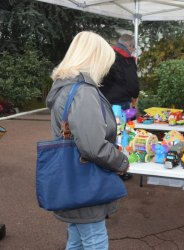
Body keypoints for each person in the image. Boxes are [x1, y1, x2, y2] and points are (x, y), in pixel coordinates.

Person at [46, 31, 129, 249]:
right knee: (94, 240)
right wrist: (121, 161)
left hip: (72, 178)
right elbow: (93, 146)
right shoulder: (83, 91)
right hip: (85, 180)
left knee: (76, 238)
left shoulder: (64, 87)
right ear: (94, 59)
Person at [100, 33, 140, 181]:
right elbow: (132, 84)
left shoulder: (105, 54)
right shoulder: (126, 59)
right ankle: (120, 169)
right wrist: (135, 95)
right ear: (129, 45)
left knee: (106, 135)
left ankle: (105, 166)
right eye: (133, 48)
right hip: (120, 103)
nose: (132, 51)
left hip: (103, 101)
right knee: (122, 136)